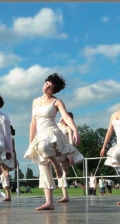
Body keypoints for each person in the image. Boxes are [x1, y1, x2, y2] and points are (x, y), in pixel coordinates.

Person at [24, 73, 80, 211]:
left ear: (54, 89)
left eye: (50, 85)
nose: (46, 86)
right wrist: (31, 142)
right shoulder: (35, 101)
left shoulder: (57, 102)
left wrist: (75, 131)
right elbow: (33, 123)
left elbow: (66, 117)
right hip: (40, 135)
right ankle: (49, 202)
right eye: (46, 83)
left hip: (52, 134)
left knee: (44, 146)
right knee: (43, 168)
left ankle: (57, 166)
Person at [57, 112, 84, 203]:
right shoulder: (57, 125)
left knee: (63, 172)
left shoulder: (69, 128)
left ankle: (65, 195)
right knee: (60, 173)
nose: (63, 120)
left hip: (66, 149)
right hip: (58, 149)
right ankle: (64, 194)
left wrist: (71, 155)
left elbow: (71, 142)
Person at [0, 125, 19, 201]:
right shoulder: (11, 138)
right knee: (4, 176)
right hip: (9, 156)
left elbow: (13, 150)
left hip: (5, 156)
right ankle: (8, 194)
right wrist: (15, 160)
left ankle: (8, 195)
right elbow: (14, 150)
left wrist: (15, 161)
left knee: (4, 175)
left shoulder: (6, 138)